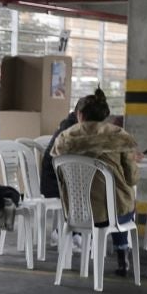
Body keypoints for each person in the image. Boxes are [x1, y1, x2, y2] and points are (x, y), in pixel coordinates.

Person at [51, 90, 141, 276]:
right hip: (112, 214)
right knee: (119, 203)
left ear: (80, 115)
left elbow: (58, 173)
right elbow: (132, 178)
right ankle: (122, 251)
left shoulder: (63, 138)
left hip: (77, 212)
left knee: (106, 202)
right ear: (104, 115)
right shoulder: (119, 135)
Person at [38, 104, 80, 200]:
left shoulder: (67, 123)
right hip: (56, 185)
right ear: (80, 114)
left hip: (54, 180)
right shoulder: (71, 129)